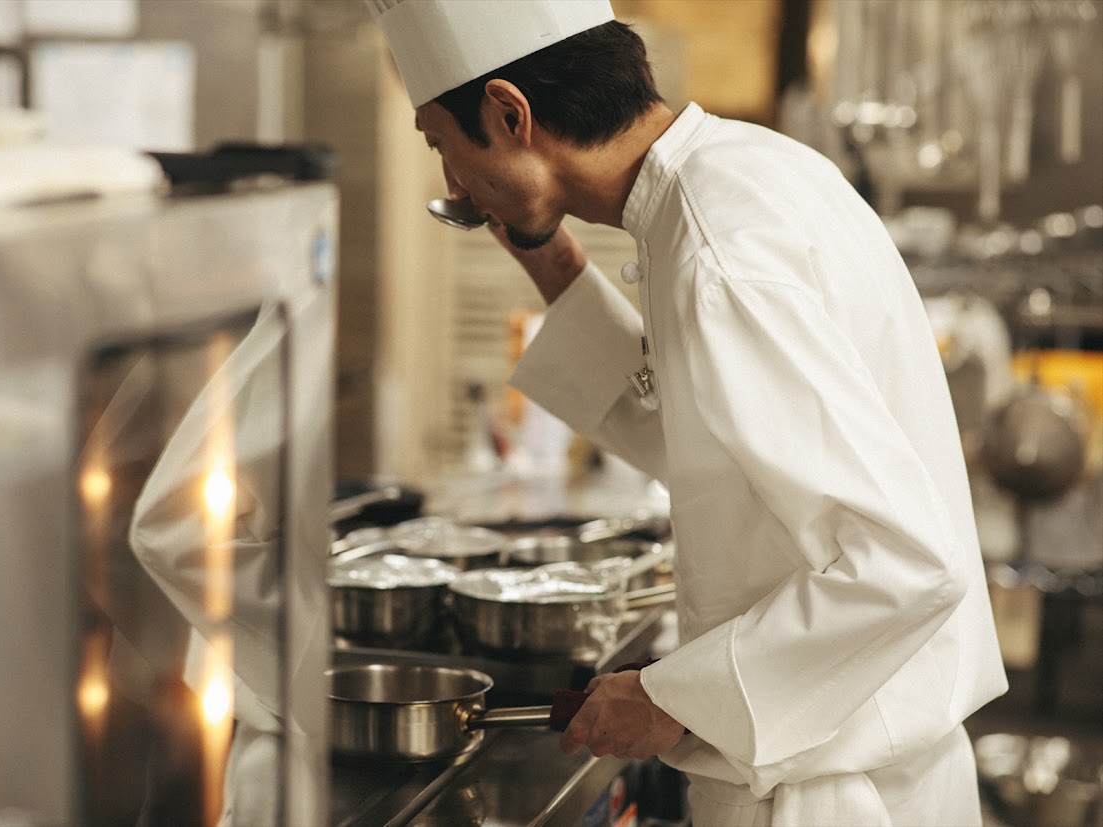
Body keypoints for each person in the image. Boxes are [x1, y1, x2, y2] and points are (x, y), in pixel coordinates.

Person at [366, 1, 1008, 825]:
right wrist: (550, 259)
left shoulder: (717, 252)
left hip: (829, 791)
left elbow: (903, 562)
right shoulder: (738, 176)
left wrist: (669, 699)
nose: (453, 186)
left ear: (509, 113)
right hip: (851, 763)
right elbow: (704, 438)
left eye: (440, 145)